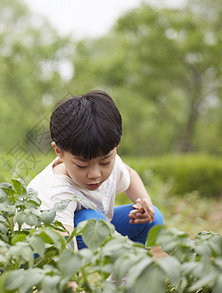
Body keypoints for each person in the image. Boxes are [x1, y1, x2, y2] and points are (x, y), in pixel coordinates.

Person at [27, 90, 163, 249]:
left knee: (153, 218)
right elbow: (65, 247)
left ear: (116, 147)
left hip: (90, 226)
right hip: (45, 246)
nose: (95, 174)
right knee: (93, 221)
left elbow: (130, 174)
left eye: (105, 162)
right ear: (59, 152)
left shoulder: (112, 162)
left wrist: (144, 202)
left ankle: (125, 270)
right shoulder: (58, 191)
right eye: (82, 165)